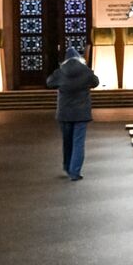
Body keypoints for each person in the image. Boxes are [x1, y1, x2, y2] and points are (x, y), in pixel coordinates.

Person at [46, 47, 100, 181]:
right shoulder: (85, 71)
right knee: (78, 142)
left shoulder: (60, 72)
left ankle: (67, 166)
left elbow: (49, 82)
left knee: (67, 141)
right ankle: (75, 171)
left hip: (64, 113)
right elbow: (96, 82)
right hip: (81, 113)